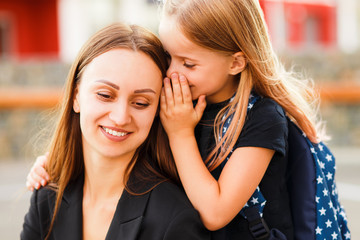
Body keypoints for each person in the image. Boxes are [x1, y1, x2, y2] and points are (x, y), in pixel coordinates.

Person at [26, 0, 345, 239]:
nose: (173, 71)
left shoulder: (261, 118)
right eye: (169, 56)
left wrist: (180, 133)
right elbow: (121, 140)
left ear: (235, 62)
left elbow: (215, 212)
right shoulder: (183, 96)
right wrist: (56, 162)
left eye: (188, 63)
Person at [21, 23, 210, 240]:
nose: (120, 118)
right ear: (75, 96)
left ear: (157, 110)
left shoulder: (173, 218)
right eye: (105, 95)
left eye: (140, 102)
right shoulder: (46, 198)